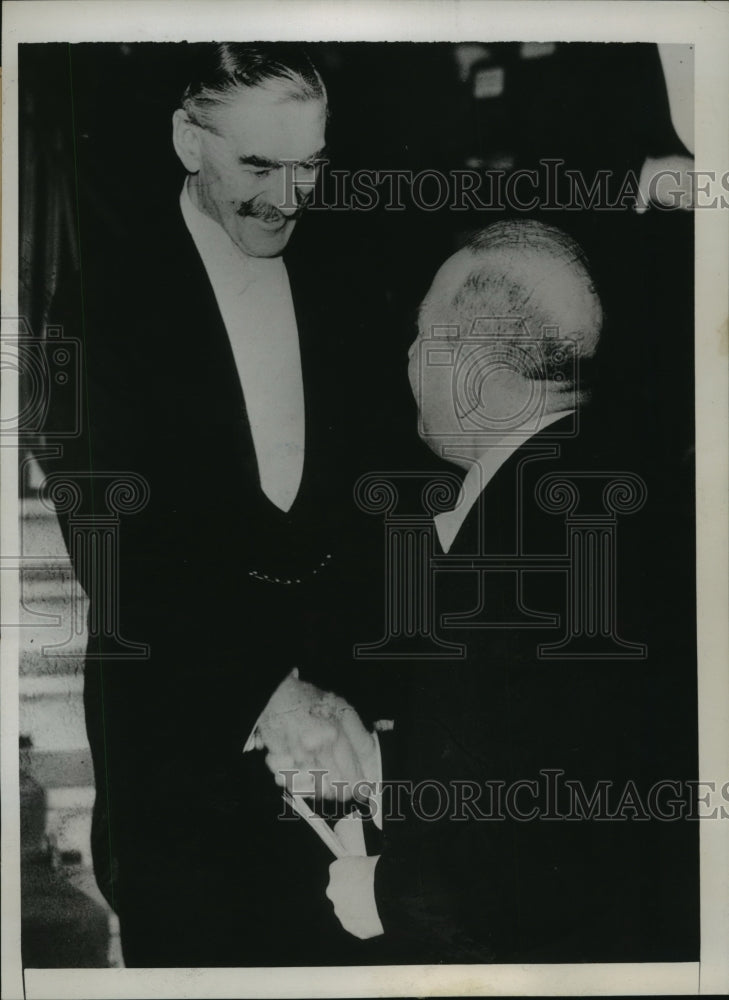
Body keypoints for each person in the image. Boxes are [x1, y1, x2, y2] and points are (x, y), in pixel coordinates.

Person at [41, 43, 399, 967]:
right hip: (180, 741)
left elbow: (381, 501)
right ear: (186, 139)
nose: (289, 197)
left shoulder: (355, 276)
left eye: (310, 165)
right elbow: (117, 548)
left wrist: (354, 690)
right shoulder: (93, 306)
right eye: (257, 165)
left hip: (345, 739)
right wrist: (268, 689)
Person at [324, 220, 699, 961]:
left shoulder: (513, 542)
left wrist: (383, 892)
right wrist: (388, 767)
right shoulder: (623, 489)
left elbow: (556, 860)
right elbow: (564, 753)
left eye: (424, 335)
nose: (406, 357)